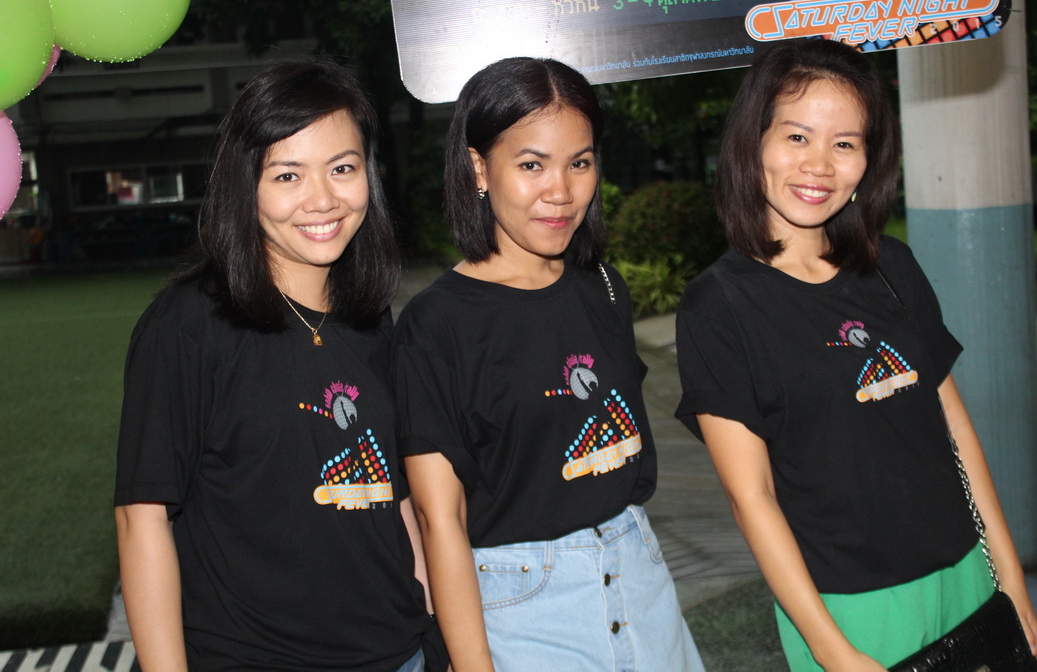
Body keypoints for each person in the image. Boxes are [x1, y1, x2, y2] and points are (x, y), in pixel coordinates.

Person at [675, 38, 1037, 670]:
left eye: (845, 143)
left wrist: (1010, 578)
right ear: (752, 141)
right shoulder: (717, 306)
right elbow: (752, 497)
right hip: (851, 604)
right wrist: (832, 648)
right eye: (797, 136)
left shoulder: (891, 266)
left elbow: (955, 431)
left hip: (966, 573)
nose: (819, 165)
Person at [114, 59, 435, 671]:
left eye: (342, 168)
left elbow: (392, 496)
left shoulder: (369, 316)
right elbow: (142, 519)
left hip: (399, 655)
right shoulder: (185, 327)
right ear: (246, 186)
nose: (323, 199)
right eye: (288, 175)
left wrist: (431, 624)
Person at [391, 57, 704, 671]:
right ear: (479, 167)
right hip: (524, 605)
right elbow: (440, 518)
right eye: (531, 165)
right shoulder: (437, 325)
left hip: (640, 577)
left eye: (579, 163)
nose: (560, 192)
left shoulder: (604, 289)